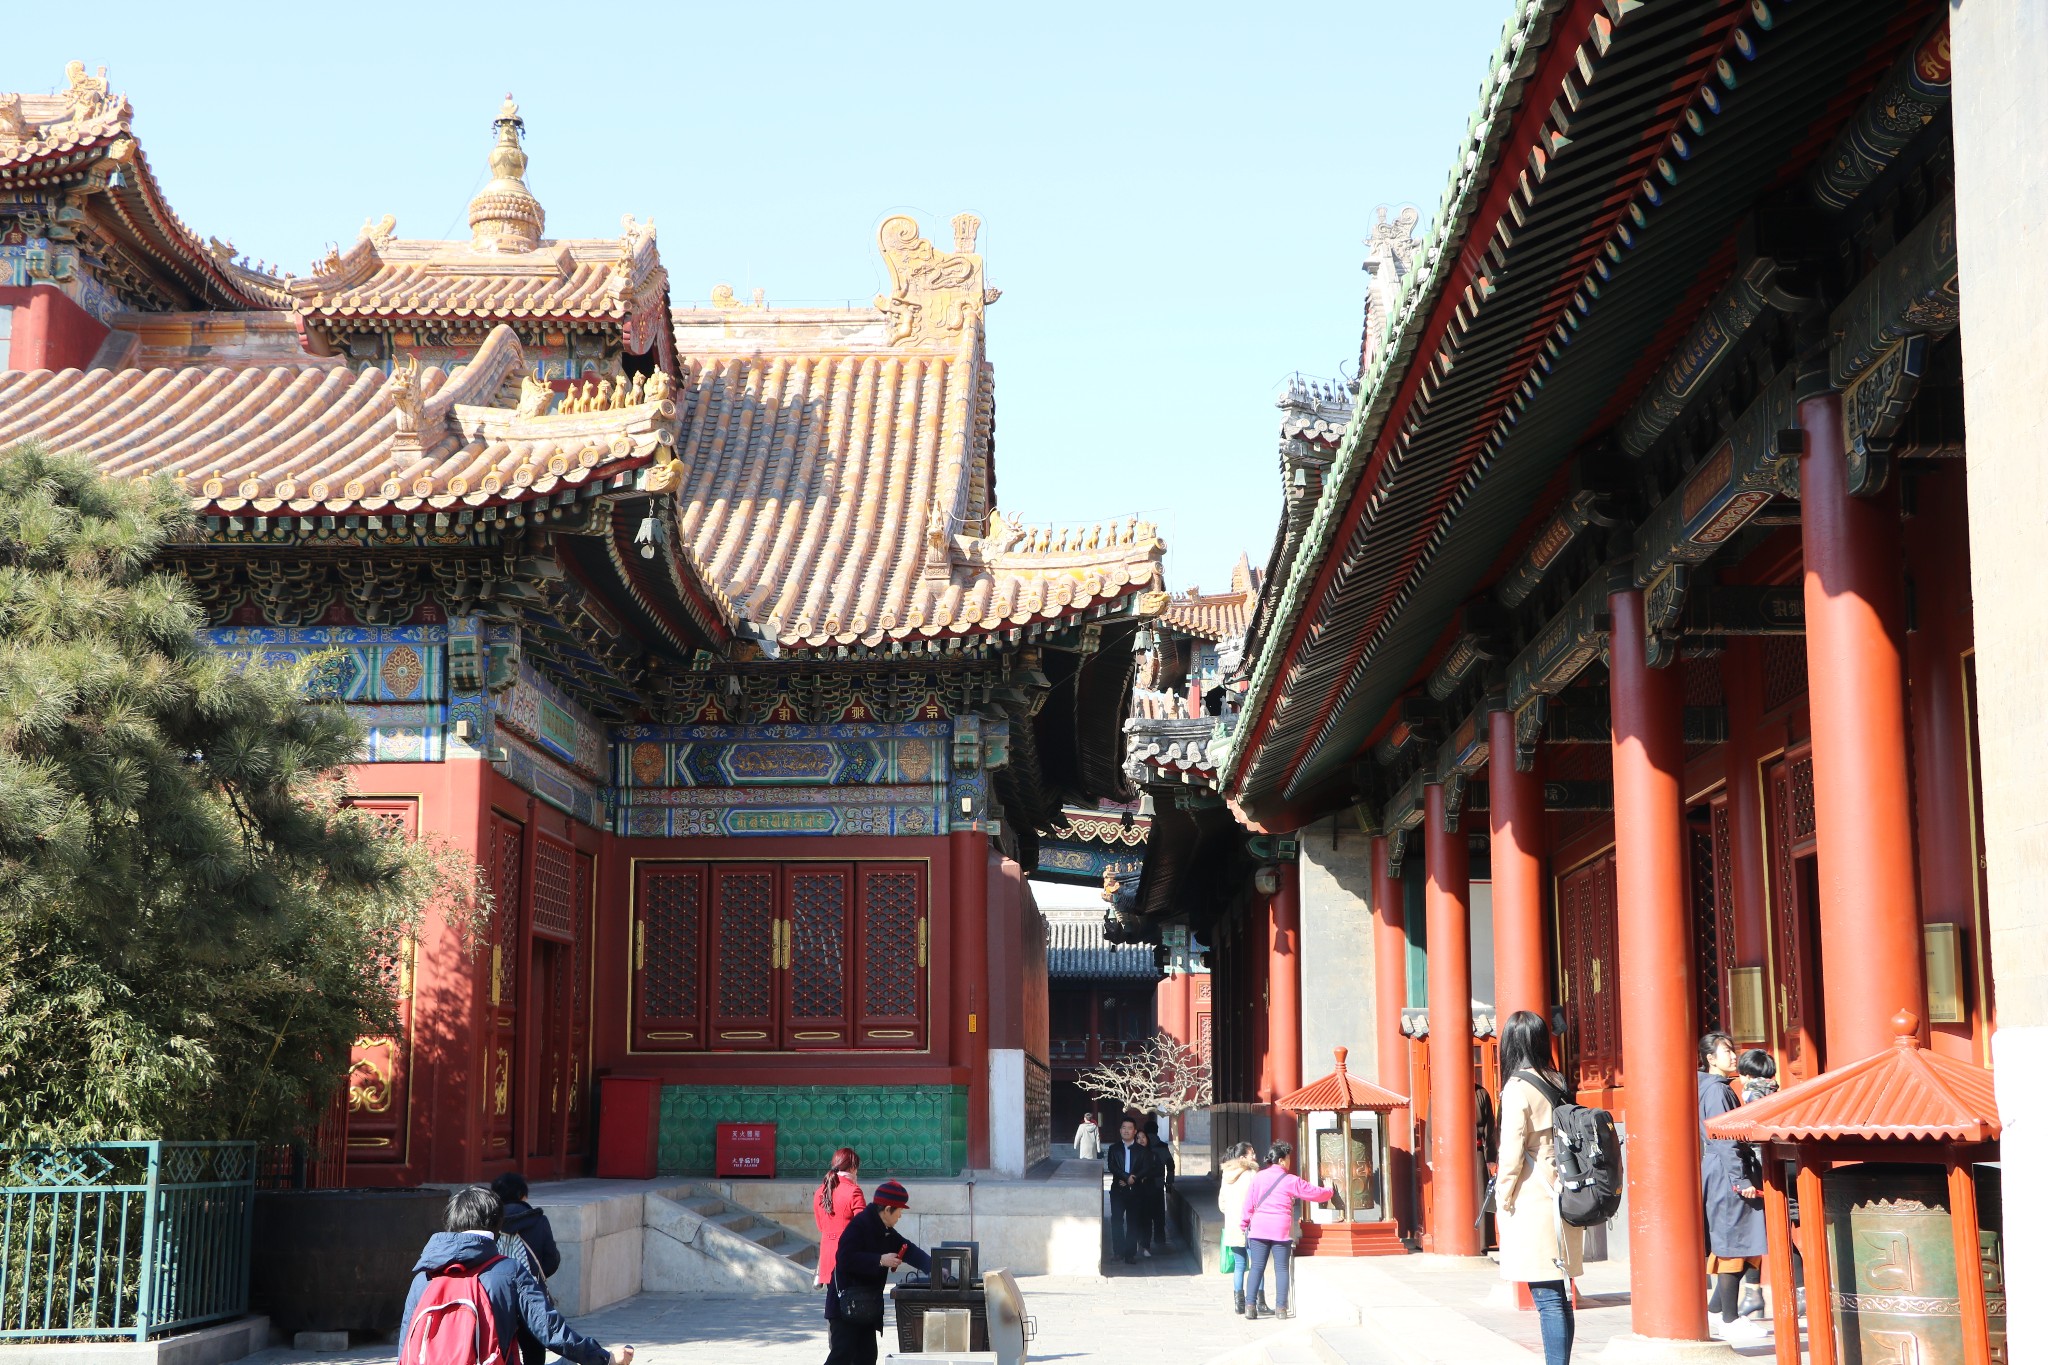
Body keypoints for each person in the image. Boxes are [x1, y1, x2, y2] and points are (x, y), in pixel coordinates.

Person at [400, 1186, 630, 1365]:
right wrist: (604, 1358)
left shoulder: (423, 1278)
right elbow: (551, 1331)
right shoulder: (509, 1271)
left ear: (450, 1223)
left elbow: (405, 1344)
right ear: (496, 1223)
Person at [1493, 1009, 1584, 1365]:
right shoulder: (1557, 1081)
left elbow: (1511, 1152)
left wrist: (1503, 1197)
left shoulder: (1517, 1089)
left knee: (1546, 1297)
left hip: (1534, 1197)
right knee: (1560, 1295)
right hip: (1563, 1188)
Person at [1700, 1032, 1769, 1345]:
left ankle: (1718, 1310)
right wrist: (1740, 1180)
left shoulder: (1715, 1086)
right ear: (1710, 1058)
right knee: (1733, 1243)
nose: (1732, 1056)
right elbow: (1724, 1138)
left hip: (1725, 1168)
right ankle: (1729, 1319)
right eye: (1725, 1051)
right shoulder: (1717, 1090)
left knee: (1743, 1241)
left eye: (1732, 1050)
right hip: (1728, 1171)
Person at [824, 1178, 929, 1365]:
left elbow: (907, 1249)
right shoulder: (859, 1225)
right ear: (887, 1209)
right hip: (845, 1305)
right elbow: (845, 1259)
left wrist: (934, 1267)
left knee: (867, 1356)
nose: (900, 1216)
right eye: (899, 1211)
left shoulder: (884, 1229)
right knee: (842, 1355)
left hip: (865, 1306)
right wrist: (879, 1260)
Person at [1238, 1140, 1331, 1320]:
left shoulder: (1258, 1177)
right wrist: (1328, 1191)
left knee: (1256, 1267)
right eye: (1288, 1158)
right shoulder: (1290, 1180)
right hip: (1280, 1229)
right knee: (1281, 1269)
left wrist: (1244, 1224)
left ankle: (1250, 1307)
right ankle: (1281, 1308)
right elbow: (1312, 1192)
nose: (1289, 1162)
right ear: (1281, 1160)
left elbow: (1248, 1203)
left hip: (1259, 1228)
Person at [490, 1173, 563, 1365]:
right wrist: (533, 1276)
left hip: (496, 1297)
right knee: (534, 1350)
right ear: (523, 1195)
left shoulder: (489, 1222)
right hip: (531, 1296)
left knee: (499, 1348)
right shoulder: (539, 1220)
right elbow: (551, 1260)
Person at [1733, 1049, 1783, 1321]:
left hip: (1758, 1166)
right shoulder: (1778, 1090)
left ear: (1748, 1074)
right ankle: (1799, 1293)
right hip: (1782, 1163)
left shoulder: (1751, 1094)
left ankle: (1752, 1293)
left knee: (1754, 1230)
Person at [1216, 1142, 1261, 1315]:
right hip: (1250, 1225)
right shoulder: (1251, 1174)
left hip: (1232, 1226)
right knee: (1256, 1264)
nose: (1255, 1156)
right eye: (1251, 1153)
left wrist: (1232, 1215)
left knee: (1239, 1265)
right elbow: (1257, 1200)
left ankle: (1239, 1304)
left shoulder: (1226, 1175)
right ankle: (1258, 1302)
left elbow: (1222, 1204)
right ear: (1243, 1157)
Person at [1104, 1116, 1155, 1264]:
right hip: (1118, 1191)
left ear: (1135, 1131)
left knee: (1133, 1222)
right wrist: (1126, 1177)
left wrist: (1135, 1178)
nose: (1126, 1131)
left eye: (1129, 1128)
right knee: (1116, 1221)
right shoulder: (1114, 1148)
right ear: (1120, 1130)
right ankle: (1118, 1252)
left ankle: (1130, 1254)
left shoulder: (1142, 1151)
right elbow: (1112, 1166)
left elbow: (1147, 1168)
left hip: (1136, 1191)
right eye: (1124, 1128)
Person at [812, 1148, 866, 1289]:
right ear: (853, 1168)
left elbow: (820, 1226)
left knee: (832, 1299)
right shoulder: (853, 1191)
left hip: (827, 1256)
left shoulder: (820, 1191)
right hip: (848, 1255)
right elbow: (863, 1226)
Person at [1140, 1116, 1176, 1250]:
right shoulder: (1162, 1146)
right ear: (1156, 1130)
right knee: (1159, 1214)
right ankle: (1160, 1239)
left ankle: (1144, 1241)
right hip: (1158, 1184)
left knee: (1144, 1214)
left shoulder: (1141, 1145)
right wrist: (1169, 1182)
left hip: (1143, 1184)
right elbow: (1170, 1165)